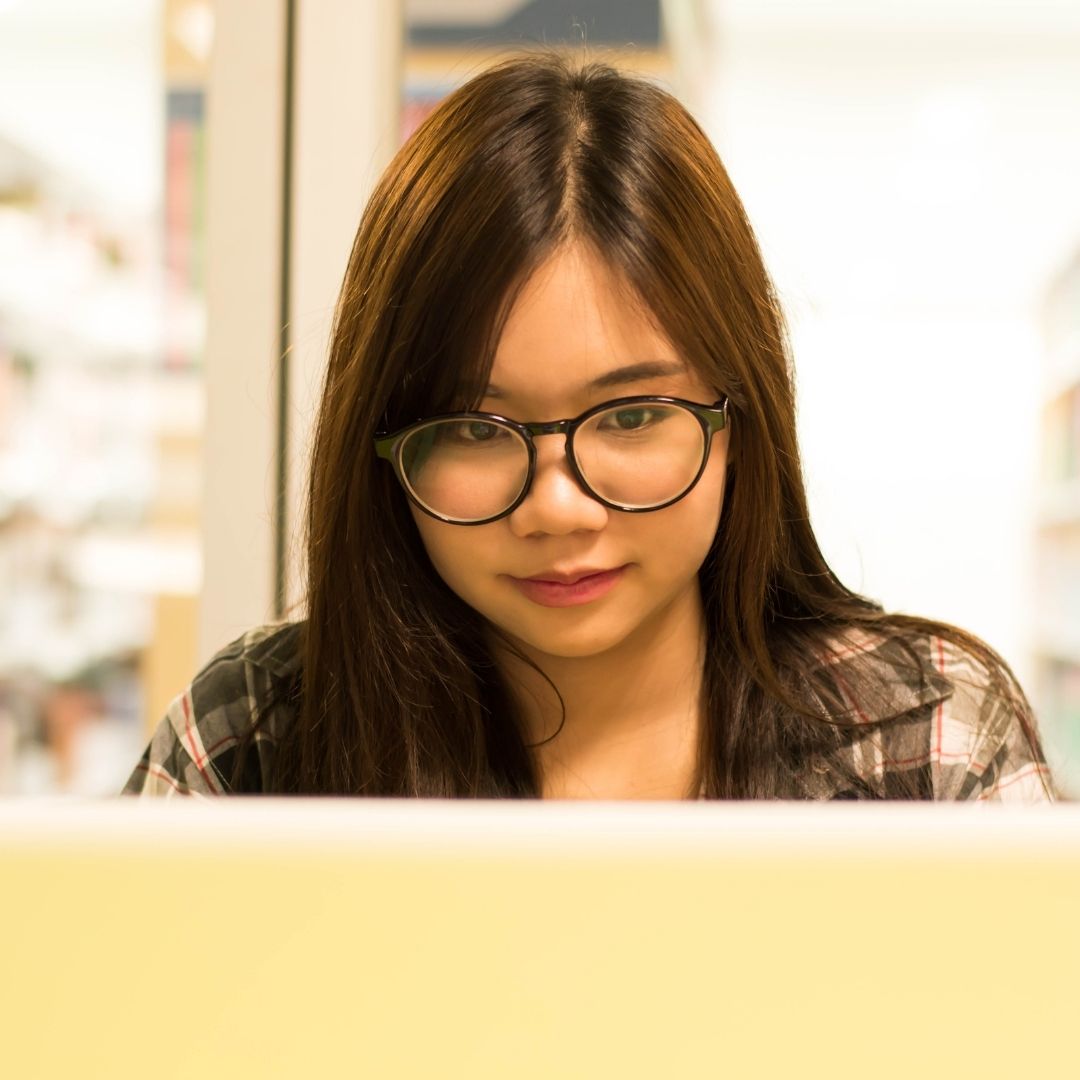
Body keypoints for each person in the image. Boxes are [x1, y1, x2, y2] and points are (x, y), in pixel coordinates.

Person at [123, 51, 1057, 802]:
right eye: (477, 428)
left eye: (636, 415)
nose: (559, 511)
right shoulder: (253, 738)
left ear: (741, 419)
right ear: (386, 441)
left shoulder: (928, 733)